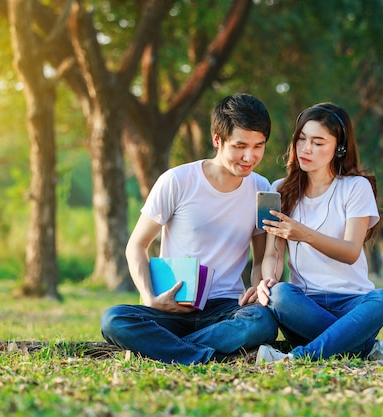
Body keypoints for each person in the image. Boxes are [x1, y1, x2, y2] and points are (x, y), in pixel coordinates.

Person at [100, 93, 278, 365]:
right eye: (240, 146)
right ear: (217, 140)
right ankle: (211, 355)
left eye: (258, 146)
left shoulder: (262, 189)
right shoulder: (177, 180)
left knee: (262, 322)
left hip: (226, 308)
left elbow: (262, 258)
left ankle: (170, 351)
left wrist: (257, 288)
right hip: (175, 304)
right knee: (114, 319)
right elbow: (136, 245)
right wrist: (150, 298)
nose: (249, 156)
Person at [254, 103, 383, 364]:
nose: (306, 149)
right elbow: (273, 252)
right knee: (280, 294)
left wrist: (304, 233)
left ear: (339, 147)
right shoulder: (280, 189)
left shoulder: (355, 187)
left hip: (353, 304)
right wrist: (267, 279)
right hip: (305, 306)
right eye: (301, 139)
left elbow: (350, 252)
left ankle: (300, 357)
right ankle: (363, 346)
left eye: (318, 142)